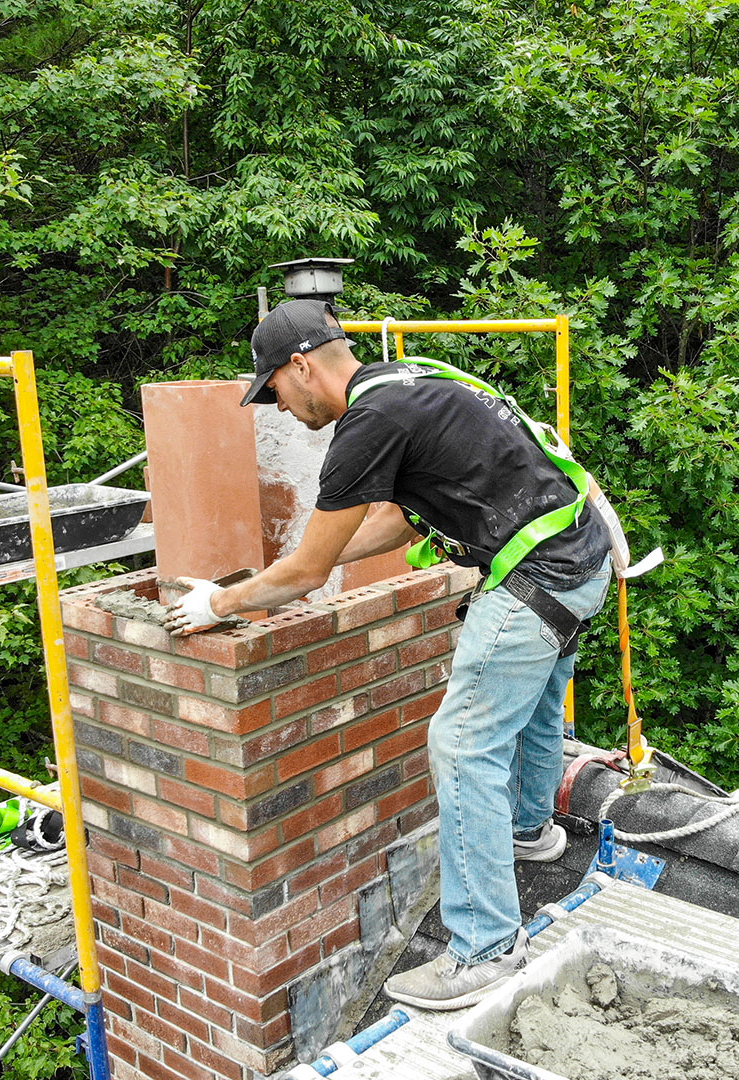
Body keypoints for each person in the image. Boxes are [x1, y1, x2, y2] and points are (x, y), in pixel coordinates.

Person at [165, 299, 612, 1010]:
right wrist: (308, 564)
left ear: (300, 365)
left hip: (537, 579)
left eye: (273, 389)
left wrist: (218, 604)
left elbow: (307, 575)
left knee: (463, 743)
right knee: (528, 707)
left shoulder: (364, 425)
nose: (277, 408)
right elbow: (402, 518)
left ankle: (486, 949)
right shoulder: (406, 380)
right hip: (581, 561)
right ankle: (532, 831)